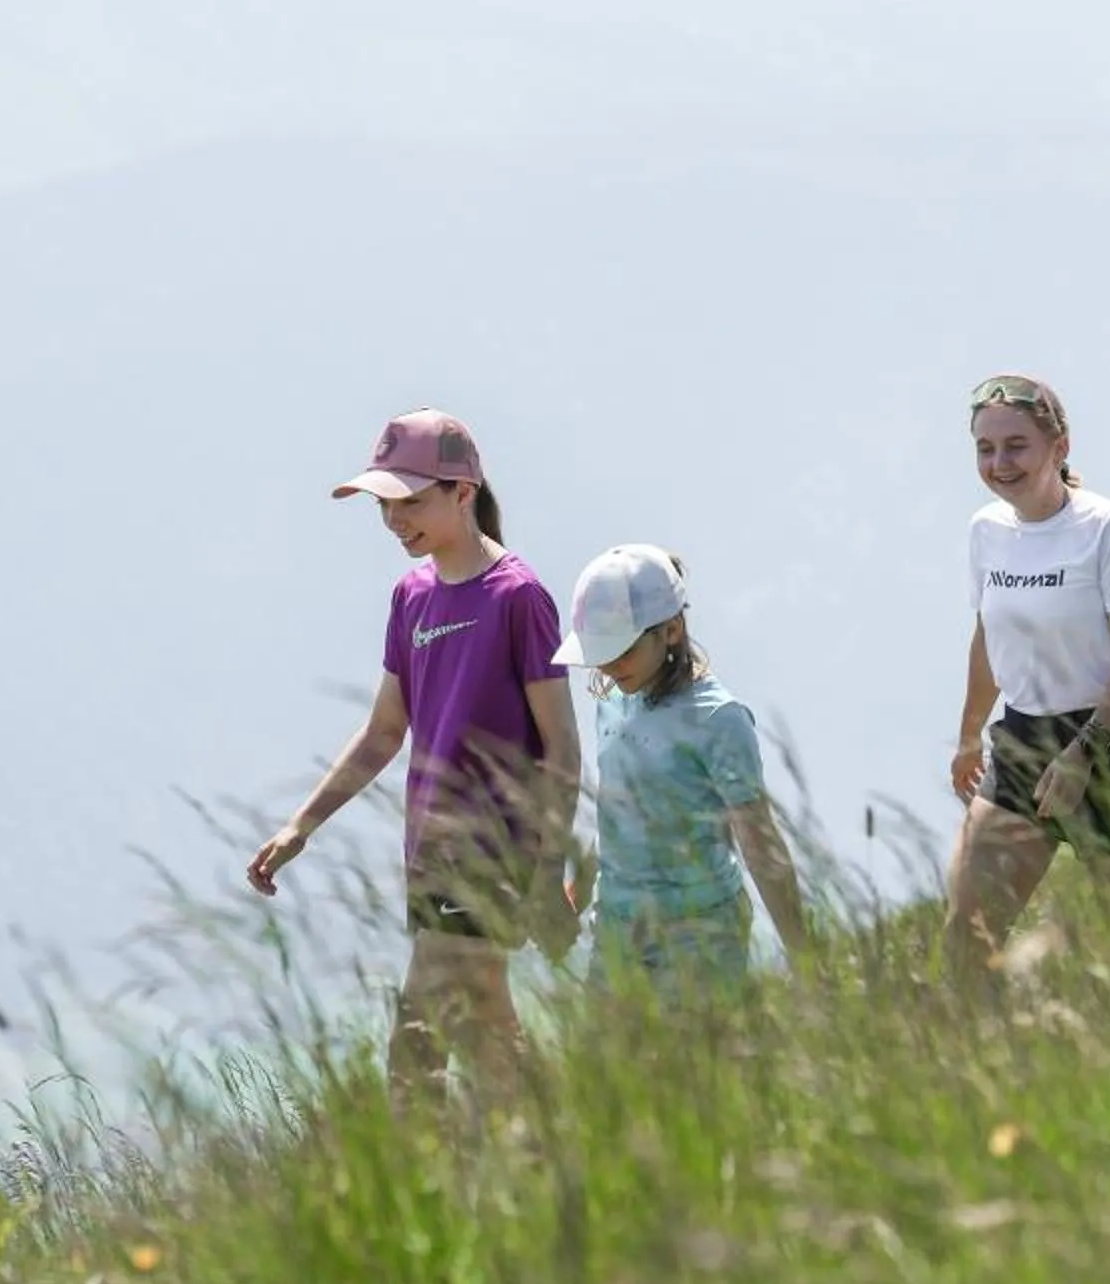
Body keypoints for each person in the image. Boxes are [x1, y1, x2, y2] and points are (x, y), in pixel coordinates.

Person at [245, 409, 581, 1102]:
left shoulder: (518, 597)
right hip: (429, 854)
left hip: (495, 852)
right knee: (485, 1036)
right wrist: (300, 826)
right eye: (384, 506)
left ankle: (428, 1188)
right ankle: (550, 1160)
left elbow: (563, 748)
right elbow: (382, 732)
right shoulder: (412, 598)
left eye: (411, 502)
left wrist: (548, 869)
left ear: (463, 492)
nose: (395, 520)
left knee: (415, 1045)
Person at [942, 374, 1110, 981]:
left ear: (1059, 446)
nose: (999, 463)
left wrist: (1083, 753)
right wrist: (970, 735)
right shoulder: (985, 531)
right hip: (1023, 741)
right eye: (985, 448)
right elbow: (989, 637)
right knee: (965, 942)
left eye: (1016, 445)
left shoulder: (1107, 529)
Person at [555, 544, 812, 990]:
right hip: (615, 933)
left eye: (623, 651)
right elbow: (621, 809)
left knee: (692, 1060)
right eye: (601, 653)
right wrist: (581, 885)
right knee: (611, 1063)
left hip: (699, 938)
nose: (611, 667)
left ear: (671, 630)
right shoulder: (612, 702)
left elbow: (759, 840)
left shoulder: (719, 719)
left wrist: (803, 955)